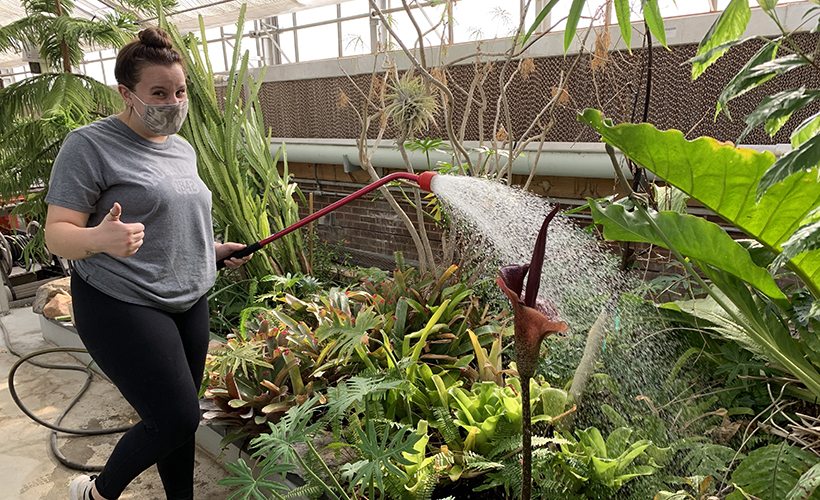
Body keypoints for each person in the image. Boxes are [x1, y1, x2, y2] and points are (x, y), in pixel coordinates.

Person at [44, 27, 252, 500]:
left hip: (187, 296)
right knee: (176, 416)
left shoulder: (182, 148)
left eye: (179, 92)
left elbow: (174, 219)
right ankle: (97, 493)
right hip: (121, 299)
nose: (173, 102)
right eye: (158, 93)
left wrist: (213, 250)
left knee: (174, 419)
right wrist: (99, 237)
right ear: (127, 93)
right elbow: (57, 232)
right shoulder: (89, 146)